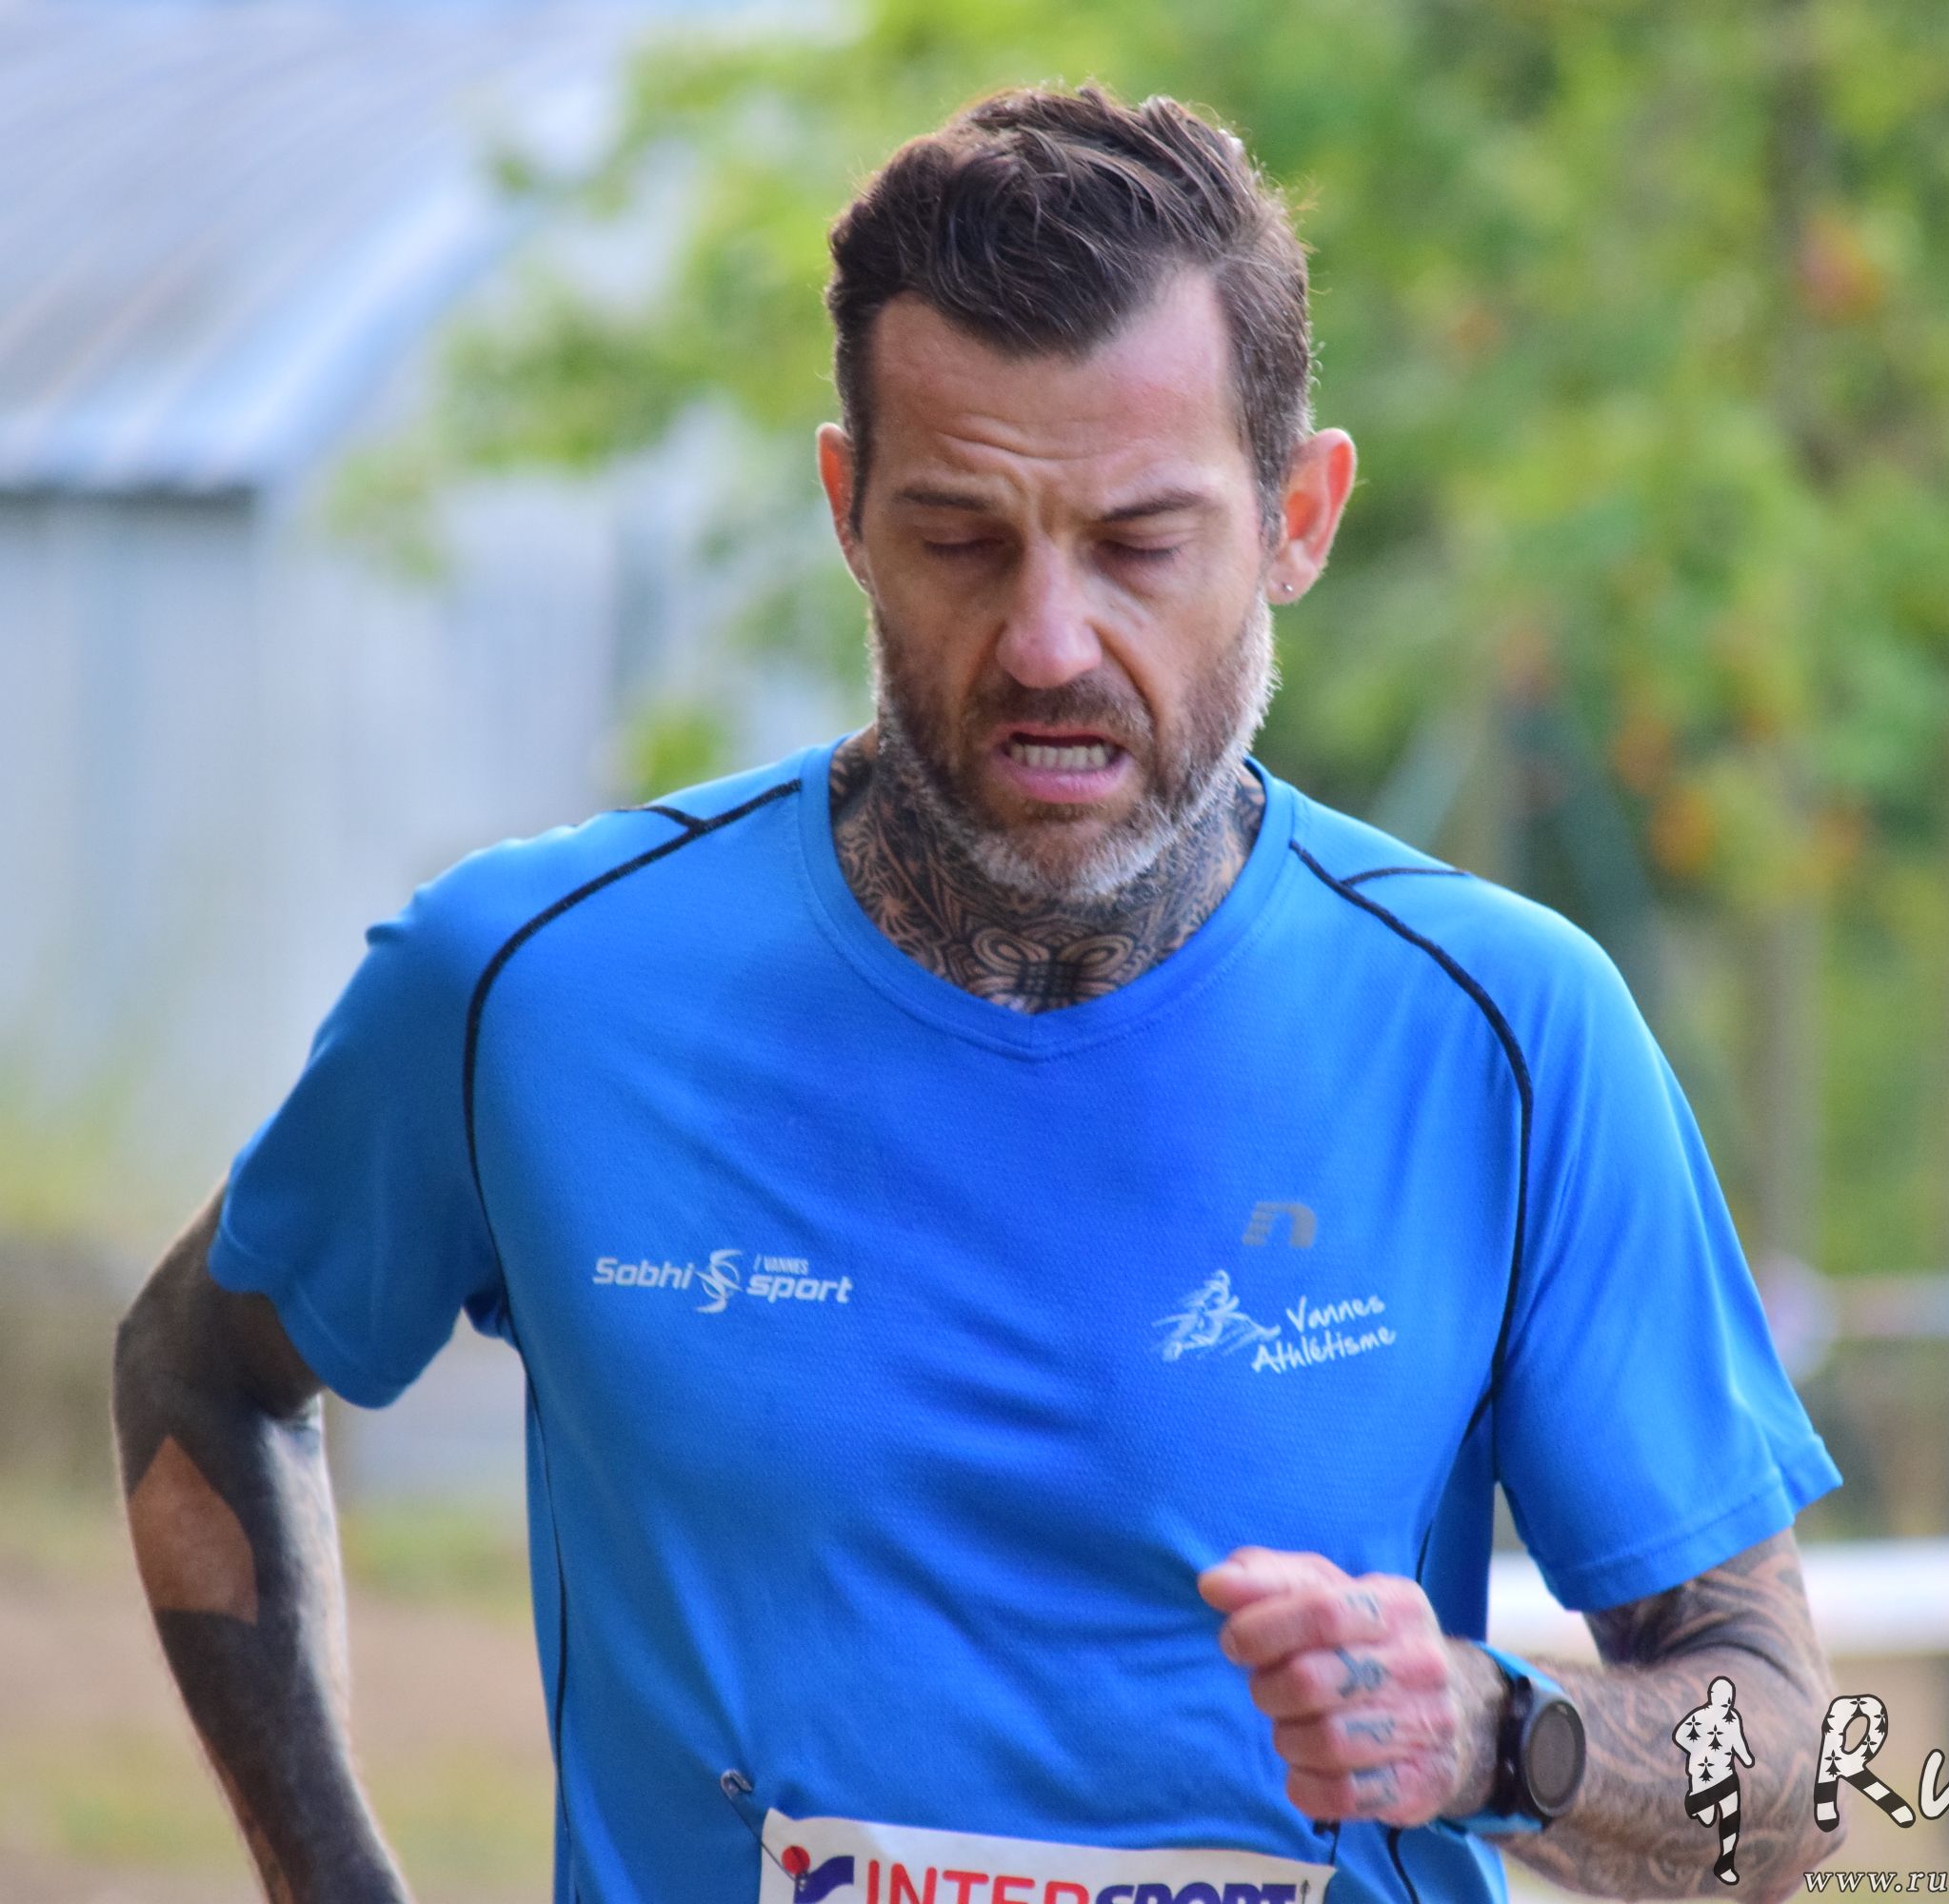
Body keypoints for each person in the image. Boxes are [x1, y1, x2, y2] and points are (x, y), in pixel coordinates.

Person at [111, 84, 1847, 1904]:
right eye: (961, 539)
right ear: (849, 511)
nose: (1046, 642)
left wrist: (1499, 1737)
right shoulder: (533, 992)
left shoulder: (1506, 1035)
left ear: (1299, 519)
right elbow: (200, 1368)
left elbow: (1789, 1786)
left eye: (1140, 543)